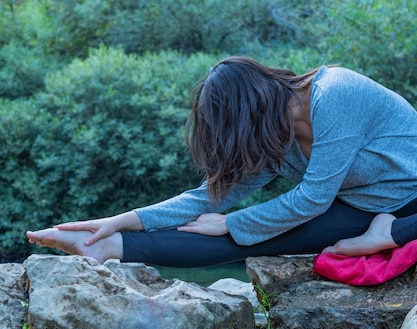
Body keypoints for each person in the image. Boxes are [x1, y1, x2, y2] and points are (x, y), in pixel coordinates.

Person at [26, 56, 417, 268]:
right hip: (360, 205)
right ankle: (109, 246)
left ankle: (394, 233)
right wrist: (123, 219)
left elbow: (312, 199)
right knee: (234, 235)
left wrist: (230, 222)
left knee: (242, 232)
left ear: (251, 111)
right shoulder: (274, 132)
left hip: (408, 196)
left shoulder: (336, 94)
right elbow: (209, 197)